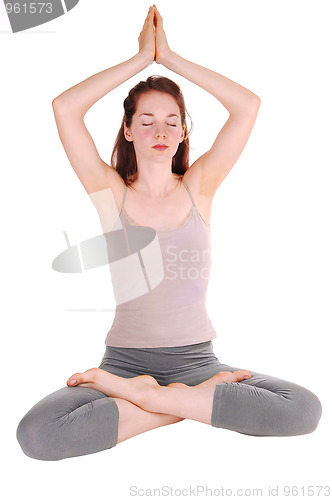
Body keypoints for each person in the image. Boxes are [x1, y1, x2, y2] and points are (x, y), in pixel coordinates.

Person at [16, 5, 322, 461]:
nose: (160, 129)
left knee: (303, 411)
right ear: (128, 129)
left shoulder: (201, 187)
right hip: (123, 362)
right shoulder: (110, 194)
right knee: (38, 435)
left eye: (171, 121)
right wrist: (142, 59)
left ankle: (153, 399)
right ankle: (178, 403)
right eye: (146, 120)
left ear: (182, 132)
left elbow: (248, 105)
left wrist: (171, 58)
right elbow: (64, 108)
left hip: (199, 364)